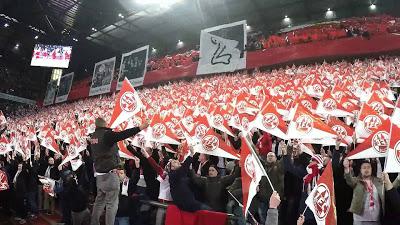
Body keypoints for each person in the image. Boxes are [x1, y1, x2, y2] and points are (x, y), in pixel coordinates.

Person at [90, 117, 147, 225]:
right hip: (110, 175)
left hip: (100, 175)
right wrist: (140, 127)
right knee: (112, 205)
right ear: (105, 124)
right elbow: (123, 134)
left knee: (99, 202)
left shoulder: (93, 136)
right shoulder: (106, 135)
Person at [168, 146, 210, 212]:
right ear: (172, 167)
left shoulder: (182, 175)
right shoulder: (173, 174)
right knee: (210, 211)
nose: (178, 162)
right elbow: (184, 168)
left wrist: (191, 170)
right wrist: (191, 154)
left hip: (190, 202)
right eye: (175, 162)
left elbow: (192, 181)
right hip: (186, 203)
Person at [343, 158, 384, 225]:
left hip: (375, 218)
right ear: (360, 170)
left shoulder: (378, 181)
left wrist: (398, 179)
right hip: (359, 219)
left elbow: (390, 188)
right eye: (364, 168)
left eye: (368, 167)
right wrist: (346, 168)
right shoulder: (356, 181)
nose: (366, 169)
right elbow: (349, 179)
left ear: (371, 169)